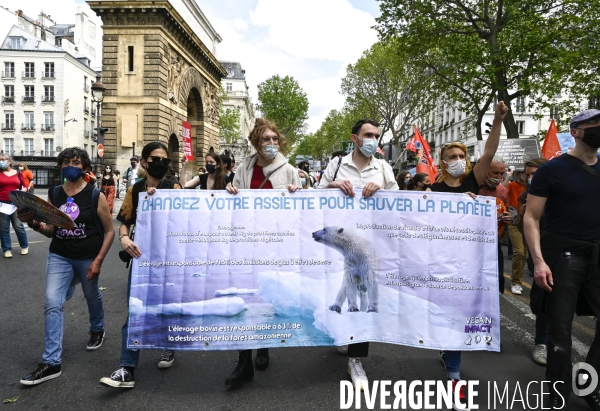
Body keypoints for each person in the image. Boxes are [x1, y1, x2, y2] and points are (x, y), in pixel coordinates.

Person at [431, 101, 508, 411]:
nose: (459, 161)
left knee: (458, 317)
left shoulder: (472, 183)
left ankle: (453, 374)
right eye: (453, 157)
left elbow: (488, 152)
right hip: (439, 264)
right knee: (442, 316)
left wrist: (499, 120)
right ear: (442, 160)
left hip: (467, 265)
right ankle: (444, 351)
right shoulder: (431, 193)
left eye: (462, 156)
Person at [18, 147, 115, 385]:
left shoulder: (95, 195)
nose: (70, 166)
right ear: (60, 166)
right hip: (60, 255)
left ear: (85, 168)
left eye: (76, 162)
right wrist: (35, 224)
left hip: (88, 256)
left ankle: (97, 328)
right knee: (52, 303)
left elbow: (110, 231)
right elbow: (53, 230)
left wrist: (98, 261)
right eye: (66, 162)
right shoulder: (55, 193)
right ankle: (51, 362)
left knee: (91, 294)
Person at [524, 109, 600, 409]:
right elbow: (531, 217)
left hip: (597, 255)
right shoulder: (551, 171)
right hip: (563, 256)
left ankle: (588, 383)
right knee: (560, 330)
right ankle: (555, 397)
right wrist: (539, 260)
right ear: (577, 131)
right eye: (595, 125)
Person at [317, 119, 399, 391]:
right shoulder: (337, 165)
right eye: (368, 135)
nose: (373, 139)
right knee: (338, 289)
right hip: (338, 242)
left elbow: (399, 205)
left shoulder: (384, 168)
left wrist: (382, 192)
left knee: (363, 294)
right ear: (354, 138)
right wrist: (331, 188)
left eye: (376, 135)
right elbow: (315, 198)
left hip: (368, 246)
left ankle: (356, 360)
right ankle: (342, 333)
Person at [225, 118, 301, 388]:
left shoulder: (290, 171)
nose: (271, 144)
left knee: (268, 295)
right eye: (266, 139)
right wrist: (230, 191)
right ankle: (243, 362)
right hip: (249, 243)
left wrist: (297, 192)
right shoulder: (244, 169)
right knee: (246, 296)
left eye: (275, 139)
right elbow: (234, 205)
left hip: (276, 246)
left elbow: (301, 210)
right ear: (256, 142)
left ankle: (264, 343)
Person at [100, 142, 182, 389]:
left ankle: (167, 347)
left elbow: (185, 221)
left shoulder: (173, 188)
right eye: (155, 158)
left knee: (165, 305)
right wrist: (124, 238)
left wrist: (163, 204)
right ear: (144, 162)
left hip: (169, 259)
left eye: (164, 159)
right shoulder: (135, 190)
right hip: (142, 260)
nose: (160, 162)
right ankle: (127, 368)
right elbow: (125, 221)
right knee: (135, 310)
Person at [514, 157, 549, 366]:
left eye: (535, 173)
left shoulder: (561, 193)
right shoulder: (526, 196)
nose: (530, 178)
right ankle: (541, 343)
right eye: (527, 174)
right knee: (543, 301)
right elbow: (521, 227)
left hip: (563, 251)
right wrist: (526, 216)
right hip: (541, 254)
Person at [477, 156, 512, 294]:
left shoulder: (503, 191)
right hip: (472, 242)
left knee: (496, 278)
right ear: (485, 171)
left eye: (502, 173)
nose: (499, 177)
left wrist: (508, 218)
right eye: (495, 173)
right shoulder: (473, 186)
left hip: (493, 242)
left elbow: (507, 213)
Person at [0, 153, 29, 258]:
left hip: (16, 203)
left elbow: (25, 187)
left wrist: (20, 191)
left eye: (3, 159)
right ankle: (6, 249)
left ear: (10, 161)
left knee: (18, 226)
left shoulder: (18, 173)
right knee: (4, 228)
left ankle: (25, 246)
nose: (1, 161)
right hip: (2, 204)